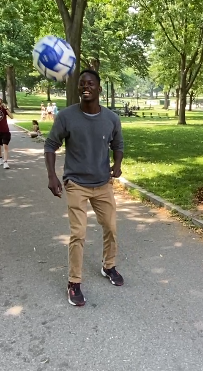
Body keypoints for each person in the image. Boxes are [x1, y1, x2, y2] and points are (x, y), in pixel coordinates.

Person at [44, 69, 125, 307]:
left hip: (102, 184)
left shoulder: (111, 118)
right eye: (81, 84)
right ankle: (74, 282)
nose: (85, 87)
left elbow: (118, 144)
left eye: (90, 83)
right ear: (78, 88)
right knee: (78, 233)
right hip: (76, 184)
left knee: (111, 227)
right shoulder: (67, 116)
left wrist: (117, 164)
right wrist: (52, 176)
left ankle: (109, 267)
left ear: (99, 89)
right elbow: (50, 145)